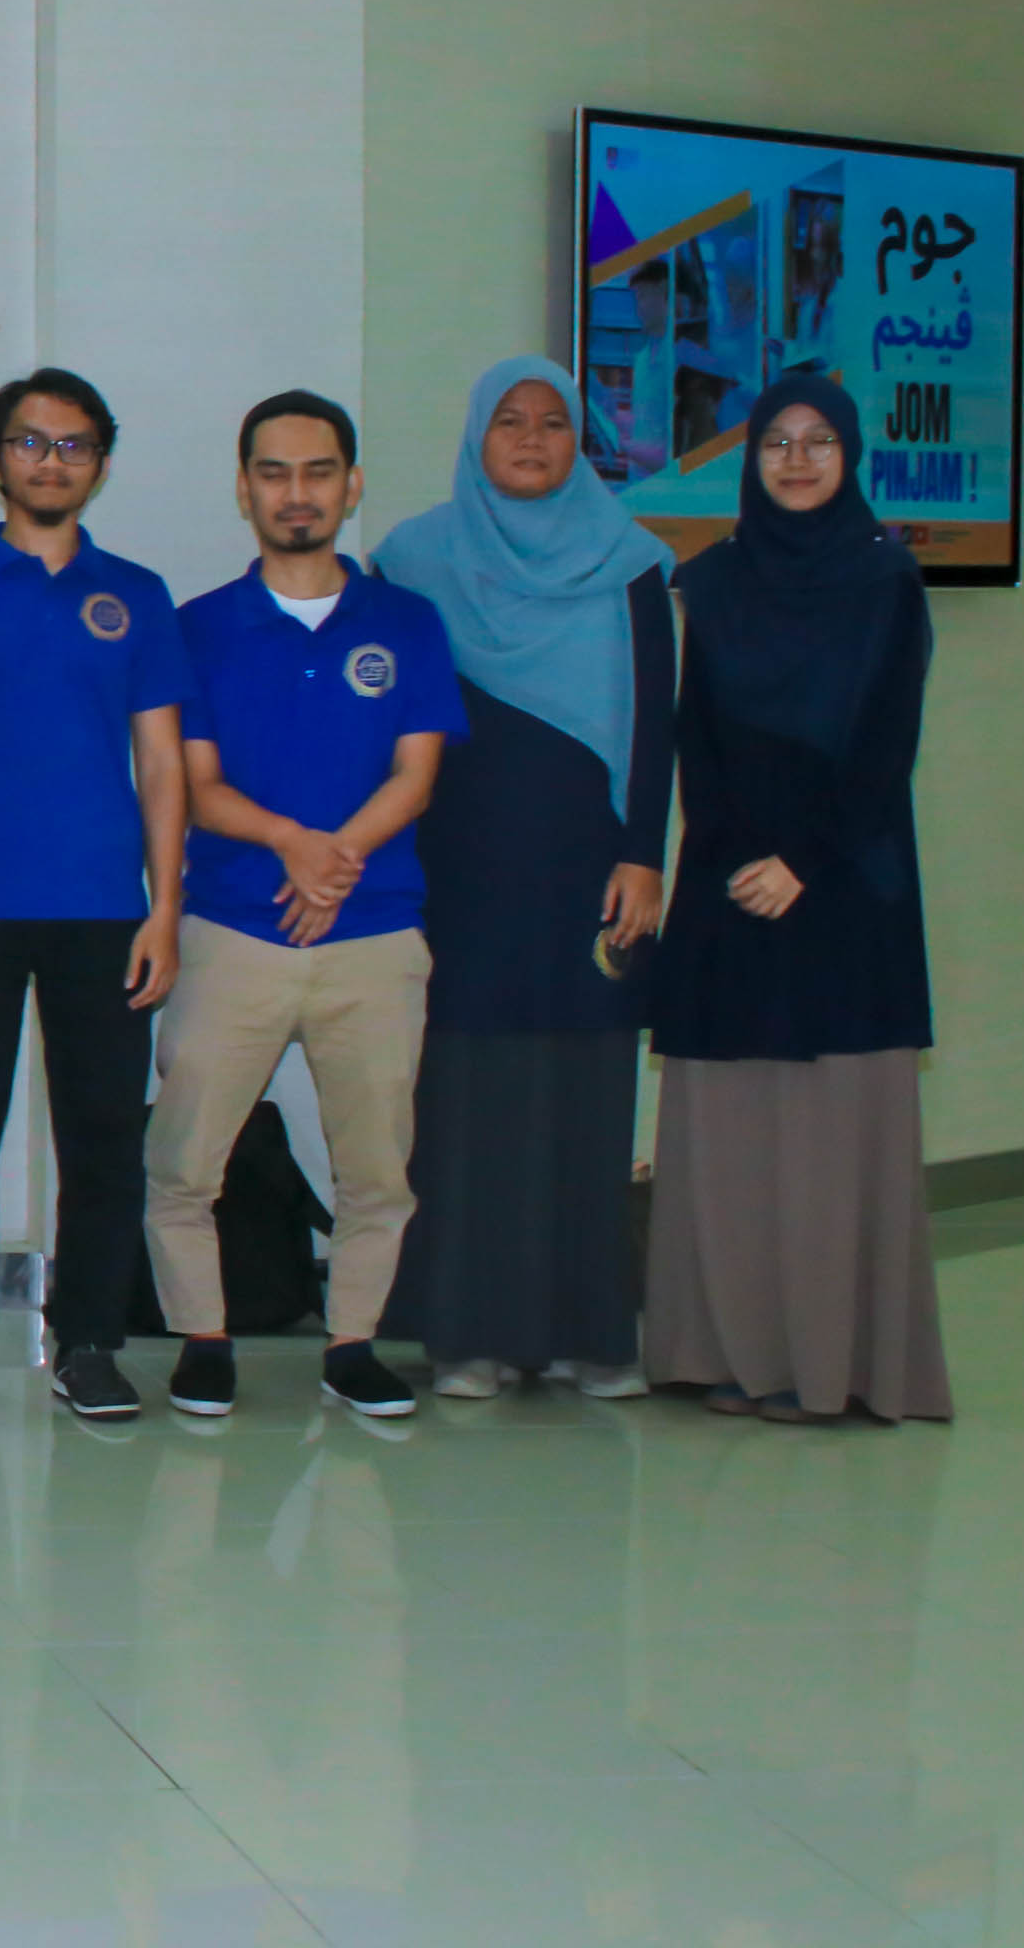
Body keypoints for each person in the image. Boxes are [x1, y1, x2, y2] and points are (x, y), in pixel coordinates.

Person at [146, 392, 466, 1422]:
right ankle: (202, 1337)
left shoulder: (408, 622)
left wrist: (341, 860)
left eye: (318, 471)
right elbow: (196, 783)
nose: (297, 492)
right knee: (187, 1158)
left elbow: (416, 775)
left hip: (374, 933)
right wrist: (295, 846)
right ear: (244, 489)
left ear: (351, 484)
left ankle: (356, 1341)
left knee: (379, 1163)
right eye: (274, 473)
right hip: (234, 926)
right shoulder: (198, 627)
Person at [643, 373, 951, 1423]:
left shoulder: (884, 580)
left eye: (821, 440)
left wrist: (804, 862)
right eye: (778, 440)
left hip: (846, 889)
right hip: (731, 880)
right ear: (751, 456)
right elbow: (697, 735)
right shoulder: (715, 580)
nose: (799, 459)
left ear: (851, 453)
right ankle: (726, 1350)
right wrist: (736, 859)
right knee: (732, 1135)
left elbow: (884, 747)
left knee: (829, 1141)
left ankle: (833, 1366)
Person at [375, 359, 674, 1401]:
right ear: (477, 435)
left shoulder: (632, 561)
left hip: (593, 868)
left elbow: (655, 716)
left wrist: (646, 853)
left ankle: (595, 1337)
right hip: (459, 867)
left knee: (588, 1093)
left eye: (556, 423)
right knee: (466, 1098)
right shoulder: (411, 560)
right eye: (511, 421)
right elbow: (387, 725)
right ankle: (469, 1335)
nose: (536, 439)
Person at [0, 368, 187, 1426]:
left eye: (71, 446)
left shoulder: (140, 597)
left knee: (105, 1136)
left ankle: (89, 1342)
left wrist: (165, 907)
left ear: (99, 465)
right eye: (30, 442)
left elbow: (162, 765)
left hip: (107, 907)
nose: (49, 461)